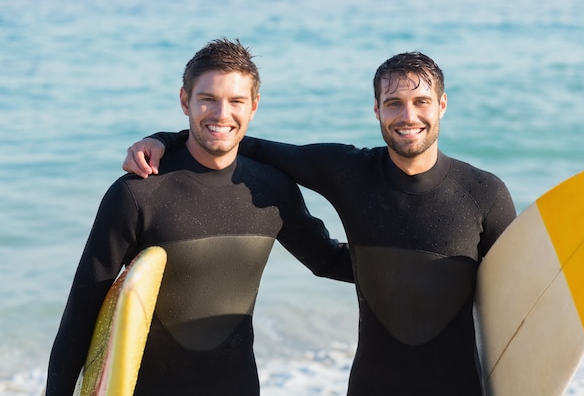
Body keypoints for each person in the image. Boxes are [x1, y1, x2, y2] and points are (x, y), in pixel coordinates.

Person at [123, 51, 518, 395]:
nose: (408, 116)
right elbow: (236, 139)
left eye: (421, 101)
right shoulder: (349, 172)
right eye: (394, 103)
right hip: (371, 387)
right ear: (376, 109)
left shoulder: (484, 193)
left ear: (442, 105)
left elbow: (518, 304)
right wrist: (164, 140)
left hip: (459, 388)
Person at [45, 38, 353, 396]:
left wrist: (421, 265)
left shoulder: (272, 189)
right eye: (208, 99)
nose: (222, 114)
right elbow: (81, 311)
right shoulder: (138, 193)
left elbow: (326, 259)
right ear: (184, 101)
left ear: (253, 106)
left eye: (236, 101)